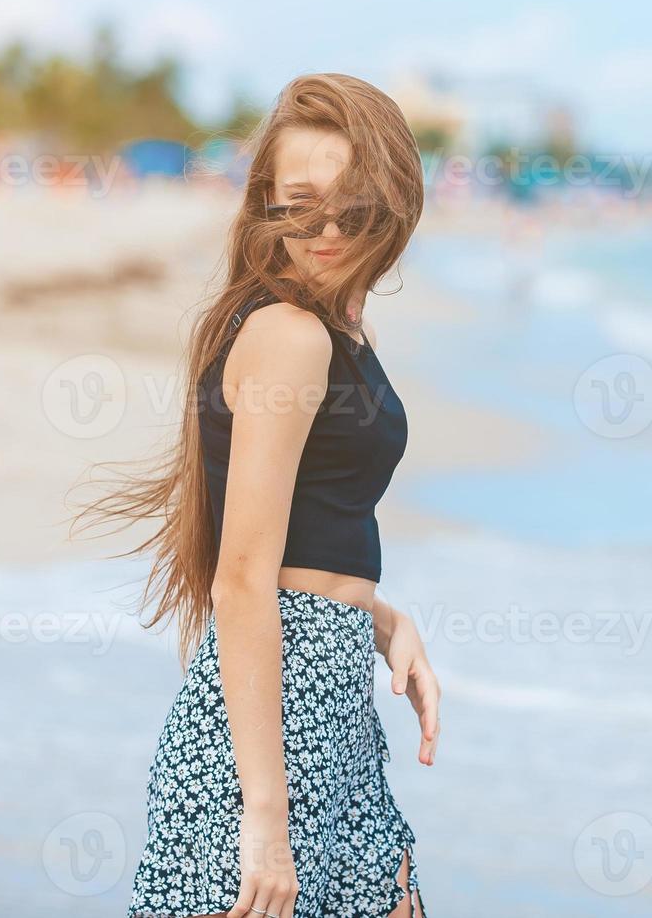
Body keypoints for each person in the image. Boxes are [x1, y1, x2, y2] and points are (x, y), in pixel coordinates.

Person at [86, 73, 438, 918]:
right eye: (299, 203)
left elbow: (302, 536)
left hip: (336, 713)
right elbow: (241, 580)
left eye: (353, 207)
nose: (325, 229)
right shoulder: (287, 335)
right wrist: (264, 819)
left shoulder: (337, 327)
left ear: (391, 206)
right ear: (264, 206)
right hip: (264, 740)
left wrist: (379, 619)